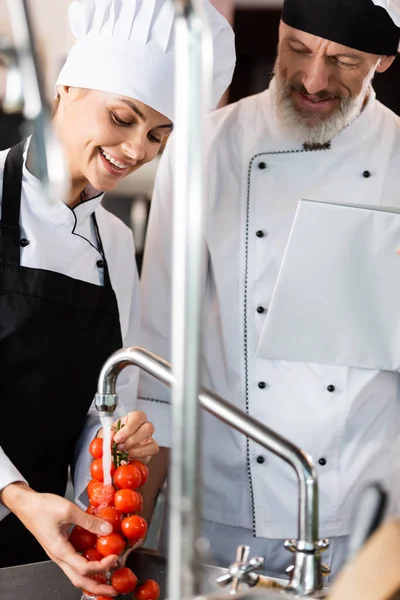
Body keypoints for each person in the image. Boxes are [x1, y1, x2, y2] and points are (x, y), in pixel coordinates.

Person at [138, 0, 400, 581]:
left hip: (371, 511)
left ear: (384, 60)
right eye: (298, 49)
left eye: (344, 61)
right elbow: (159, 346)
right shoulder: (205, 145)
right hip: (229, 504)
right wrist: (131, 514)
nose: (313, 79)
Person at [0, 0, 235, 597]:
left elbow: (101, 408)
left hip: (45, 543)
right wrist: (16, 494)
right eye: (122, 118)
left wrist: (113, 459)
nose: (136, 150)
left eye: (158, 134)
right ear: (66, 88)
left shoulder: (115, 240)